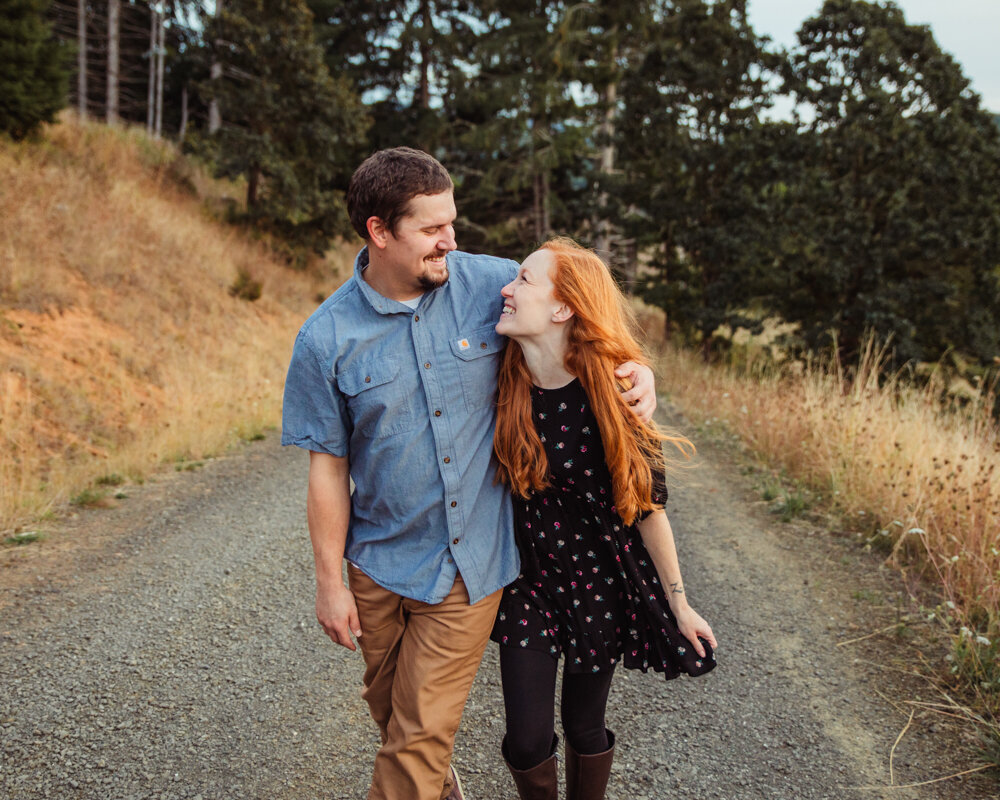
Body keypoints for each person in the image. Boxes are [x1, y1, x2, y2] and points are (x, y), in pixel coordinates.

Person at [280, 148, 658, 800]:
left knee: (418, 739)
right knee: (397, 724)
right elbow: (327, 468)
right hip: (378, 567)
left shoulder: (491, 284)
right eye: (431, 230)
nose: (449, 242)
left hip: (469, 569)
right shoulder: (326, 338)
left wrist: (633, 364)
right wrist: (329, 585)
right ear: (379, 232)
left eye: (451, 223)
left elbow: (579, 306)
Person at [490, 237, 718, 800]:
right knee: (526, 739)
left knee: (584, 725)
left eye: (523, 280)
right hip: (528, 585)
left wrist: (678, 600)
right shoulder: (500, 376)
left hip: (600, 584)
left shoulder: (617, 394)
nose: (506, 289)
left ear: (564, 308)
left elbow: (647, 510)